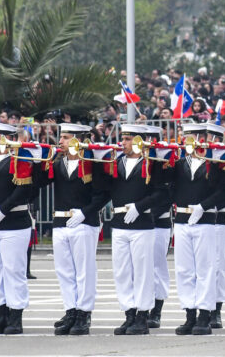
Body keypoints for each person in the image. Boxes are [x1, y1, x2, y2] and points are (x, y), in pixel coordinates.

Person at [94, 124, 168, 335]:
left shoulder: (151, 164)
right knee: (122, 272)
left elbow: (161, 193)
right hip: (119, 222)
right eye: (123, 138)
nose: (123, 143)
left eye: (127, 139)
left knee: (143, 272)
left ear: (138, 141)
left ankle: (142, 317)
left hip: (142, 224)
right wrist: (100, 163)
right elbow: (103, 188)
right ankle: (129, 313)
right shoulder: (116, 163)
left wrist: (140, 207)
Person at [0, 121, 39, 335]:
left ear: (5, 139)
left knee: (14, 270)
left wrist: (5, 207)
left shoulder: (19, 158)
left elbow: (25, 188)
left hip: (13, 223)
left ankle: (15, 317)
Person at [45, 123, 109, 336]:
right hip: (61, 222)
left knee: (84, 271)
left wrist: (85, 212)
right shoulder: (57, 162)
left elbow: (103, 194)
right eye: (61, 137)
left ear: (79, 140)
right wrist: (39, 159)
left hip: (83, 221)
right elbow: (39, 182)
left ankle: (84, 314)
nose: (60, 141)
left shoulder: (91, 162)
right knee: (64, 271)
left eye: (65, 137)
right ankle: (70, 310)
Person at [163, 123, 224, 336]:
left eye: (190, 136)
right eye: (184, 136)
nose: (186, 140)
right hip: (182, 219)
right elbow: (167, 185)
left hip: (204, 219)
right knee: (184, 269)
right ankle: (189, 313)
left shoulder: (214, 163)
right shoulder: (178, 164)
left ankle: (205, 315)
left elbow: (223, 193)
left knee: (205, 269)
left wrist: (203, 206)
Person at [143, 125, 172, 329]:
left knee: (157, 266)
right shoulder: (139, 162)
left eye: (151, 140)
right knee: (141, 268)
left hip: (158, 220)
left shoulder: (165, 163)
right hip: (140, 221)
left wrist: (151, 213)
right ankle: (143, 307)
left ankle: (157, 309)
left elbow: (167, 194)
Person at [205, 122, 225, 329]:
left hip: (218, 217)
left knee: (218, 266)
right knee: (200, 267)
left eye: (213, 139)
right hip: (198, 217)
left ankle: (216, 310)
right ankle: (201, 309)